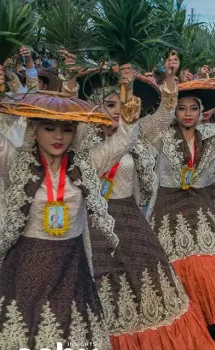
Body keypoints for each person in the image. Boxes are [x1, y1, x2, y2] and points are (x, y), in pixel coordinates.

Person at [75, 55, 215, 349]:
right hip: (89, 226)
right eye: (110, 104)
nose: (117, 111)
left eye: (122, 104)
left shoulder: (140, 135)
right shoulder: (80, 139)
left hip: (130, 222)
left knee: (145, 289)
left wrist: (169, 75)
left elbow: (166, 110)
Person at [0, 65, 140, 349]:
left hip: (71, 263)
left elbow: (125, 140)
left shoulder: (86, 164)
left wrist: (127, 90)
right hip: (26, 263)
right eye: (49, 128)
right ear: (34, 130)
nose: (58, 137)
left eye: (67, 129)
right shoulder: (16, 162)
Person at [146, 76, 215, 326]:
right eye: (182, 108)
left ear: (201, 112)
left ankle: (212, 315)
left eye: (193, 108)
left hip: (198, 202)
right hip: (167, 205)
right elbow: (147, 128)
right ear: (174, 111)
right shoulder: (161, 136)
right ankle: (191, 321)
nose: (188, 114)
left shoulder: (207, 136)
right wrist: (168, 90)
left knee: (213, 257)